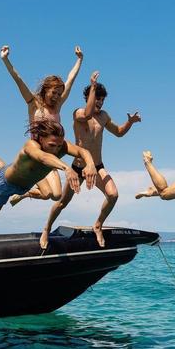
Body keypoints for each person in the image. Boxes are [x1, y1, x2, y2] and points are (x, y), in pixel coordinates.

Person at [39, 73, 141, 249]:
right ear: (89, 98)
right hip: (78, 167)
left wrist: (130, 122)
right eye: (96, 98)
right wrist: (92, 86)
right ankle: (46, 228)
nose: (99, 103)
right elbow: (87, 113)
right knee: (62, 202)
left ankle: (98, 225)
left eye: (102, 100)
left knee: (113, 195)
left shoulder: (104, 117)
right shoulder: (78, 113)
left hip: (98, 166)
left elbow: (118, 132)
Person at [0, 44, 84, 205]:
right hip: (36, 155)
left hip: (52, 155)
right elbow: (18, 79)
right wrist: (5, 60)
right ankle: (20, 186)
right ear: (45, 90)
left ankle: (24, 194)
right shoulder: (33, 104)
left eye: (59, 94)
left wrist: (79, 60)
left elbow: (70, 80)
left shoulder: (57, 105)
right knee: (47, 193)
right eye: (54, 93)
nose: (56, 97)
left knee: (56, 195)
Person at [0, 118, 97, 220]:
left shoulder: (61, 145)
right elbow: (43, 157)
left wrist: (90, 164)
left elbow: (82, 151)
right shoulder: (31, 146)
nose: (56, 149)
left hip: (25, 181)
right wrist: (67, 168)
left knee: (7, 169)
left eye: (58, 145)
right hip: (6, 184)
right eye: (52, 145)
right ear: (41, 139)